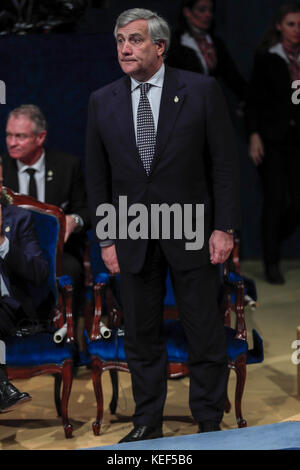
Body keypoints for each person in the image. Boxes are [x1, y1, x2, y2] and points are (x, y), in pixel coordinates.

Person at [86, 8, 240, 442]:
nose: (124, 48)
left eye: (134, 39)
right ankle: (146, 421)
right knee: (140, 334)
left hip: (192, 228)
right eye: (119, 40)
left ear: (159, 46)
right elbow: (97, 179)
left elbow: (225, 166)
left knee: (204, 330)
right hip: (131, 232)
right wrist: (107, 237)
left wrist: (224, 227)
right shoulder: (102, 100)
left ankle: (208, 419)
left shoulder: (202, 91)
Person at [3, 105, 90, 323]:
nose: (12, 142)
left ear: (40, 137)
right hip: (12, 248)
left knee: (71, 270)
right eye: (9, 135)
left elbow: (87, 210)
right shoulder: (1, 167)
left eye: (20, 136)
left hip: (60, 251)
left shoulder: (67, 166)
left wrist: (73, 220)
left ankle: (70, 331)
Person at [246, 2, 300, 284]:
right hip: (272, 138)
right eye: (291, 24)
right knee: (274, 200)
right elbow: (253, 101)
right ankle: (271, 261)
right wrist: (254, 135)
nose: (296, 30)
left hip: (295, 139)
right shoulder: (268, 57)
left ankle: (273, 239)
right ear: (279, 26)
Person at [0, 158, 50, 412]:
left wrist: (2, 242)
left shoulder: (18, 219)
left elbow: (40, 273)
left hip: (11, 307)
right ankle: (2, 387)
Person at [166, 0, 247, 107]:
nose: (208, 15)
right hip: (183, 106)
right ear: (187, 12)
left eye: (210, 11)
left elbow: (232, 76)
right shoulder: (175, 42)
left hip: (209, 105)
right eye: (202, 10)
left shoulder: (215, 43)